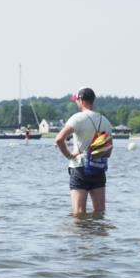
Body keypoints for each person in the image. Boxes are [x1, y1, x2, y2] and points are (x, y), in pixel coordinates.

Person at [55, 87, 113, 216]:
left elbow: (59, 139)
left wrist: (69, 155)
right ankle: (96, 234)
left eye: (76, 100)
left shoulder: (77, 118)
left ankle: (81, 236)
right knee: (99, 211)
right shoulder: (105, 121)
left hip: (79, 167)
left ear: (80, 100)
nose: (76, 102)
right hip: (98, 168)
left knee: (79, 213)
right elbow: (109, 151)